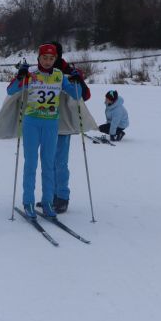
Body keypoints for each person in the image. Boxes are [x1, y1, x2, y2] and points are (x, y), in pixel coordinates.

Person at [6, 43, 81, 219]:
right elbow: (11, 90)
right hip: (32, 123)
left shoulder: (59, 76)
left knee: (49, 165)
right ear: (38, 57)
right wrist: (20, 76)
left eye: (51, 58)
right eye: (44, 58)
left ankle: (47, 201)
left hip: (51, 125)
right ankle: (29, 201)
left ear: (55, 59)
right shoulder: (31, 73)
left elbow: (77, 94)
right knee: (31, 164)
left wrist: (77, 80)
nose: (47, 61)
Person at [47, 41, 91, 214]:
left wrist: (78, 79)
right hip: (44, 121)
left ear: (57, 55)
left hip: (63, 124)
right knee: (47, 162)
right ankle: (49, 196)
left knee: (59, 162)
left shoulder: (66, 70)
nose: (48, 58)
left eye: (52, 54)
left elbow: (85, 95)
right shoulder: (42, 69)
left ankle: (62, 197)